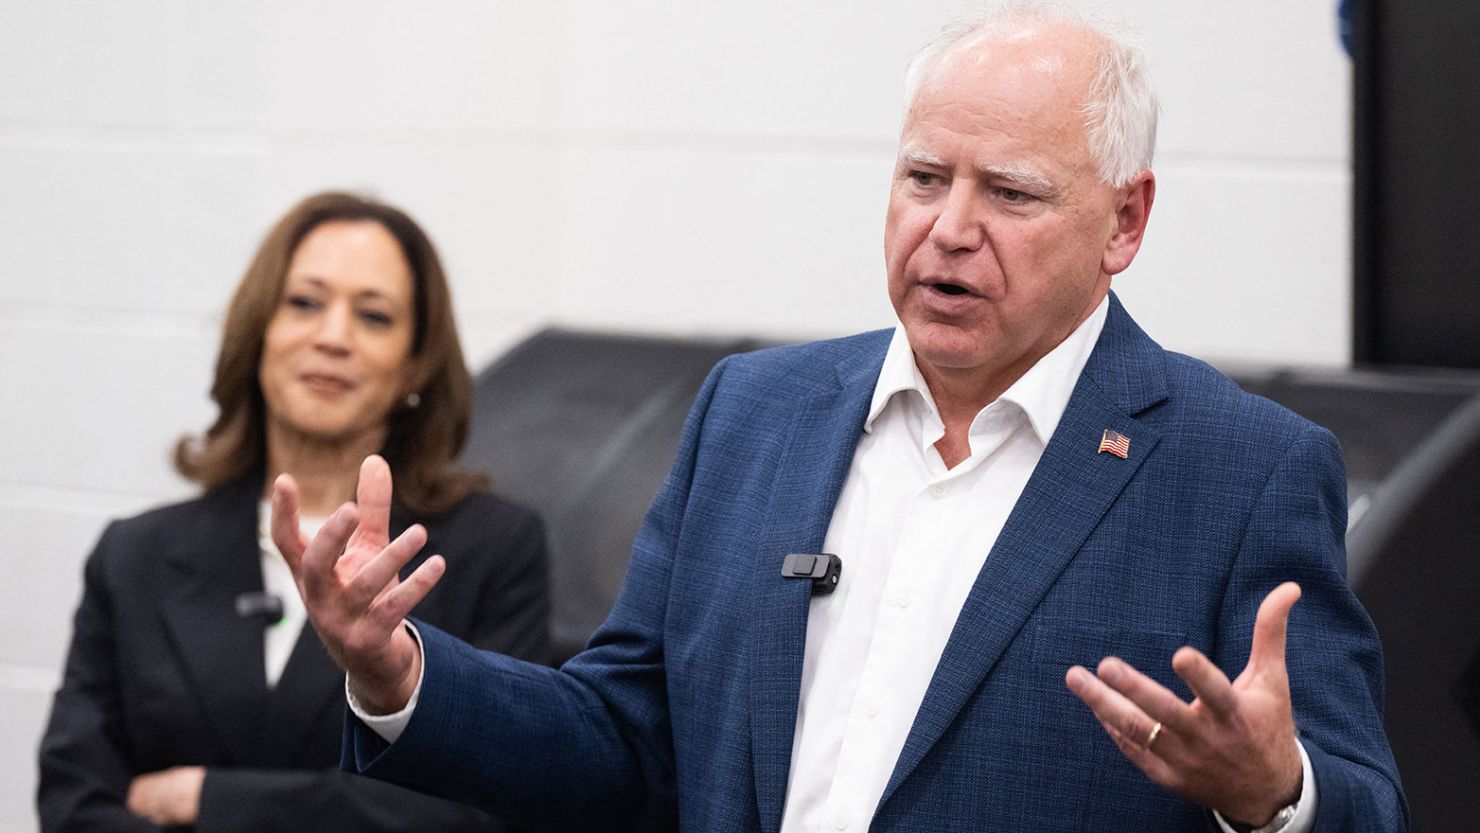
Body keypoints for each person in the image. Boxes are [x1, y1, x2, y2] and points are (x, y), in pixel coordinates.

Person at [275, 6, 1406, 832]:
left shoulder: (1240, 469)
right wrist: (397, 672)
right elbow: (624, 737)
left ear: (1124, 220)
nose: (950, 229)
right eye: (923, 177)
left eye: (1008, 193)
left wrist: (1275, 794)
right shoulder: (754, 414)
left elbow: (1365, 802)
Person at [37, 191, 551, 832]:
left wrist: (209, 799)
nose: (333, 337)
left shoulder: (488, 551)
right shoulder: (133, 555)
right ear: (259, 333)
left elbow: (485, 810)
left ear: (416, 363)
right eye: (304, 303)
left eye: (374, 316)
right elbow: (73, 801)